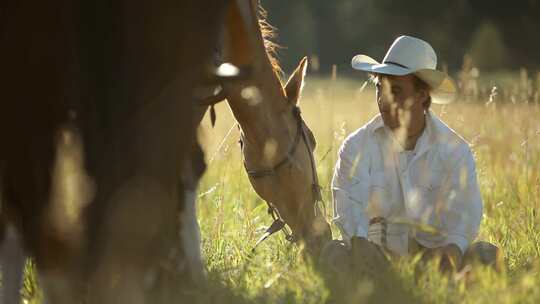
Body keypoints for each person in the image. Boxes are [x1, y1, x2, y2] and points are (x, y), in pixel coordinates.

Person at [322, 35, 500, 274]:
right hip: (374, 262)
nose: (383, 100)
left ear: (422, 95)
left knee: (486, 254)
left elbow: (465, 216)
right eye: (379, 88)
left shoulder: (455, 150)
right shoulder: (356, 147)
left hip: (436, 262)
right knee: (332, 254)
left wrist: (452, 251)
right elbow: (349, 210)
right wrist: (362, 246)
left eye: (395, 90)